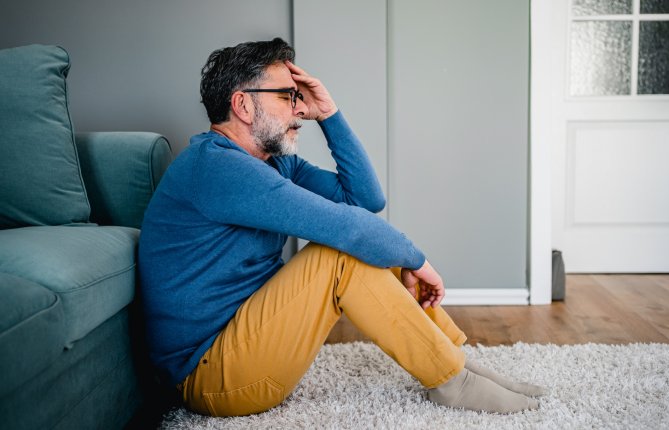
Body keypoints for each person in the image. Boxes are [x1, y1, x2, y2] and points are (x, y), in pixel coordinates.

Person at [138, 38, 546, 417]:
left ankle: (455, 363)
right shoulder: (217, 168)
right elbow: (348, 228)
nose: (299, 109)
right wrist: (418, 259)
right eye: (287, 96)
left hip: (245, 342)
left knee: (364, 242)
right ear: (243, 105)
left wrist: (329, 114)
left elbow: (365, 200)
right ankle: (452, 382)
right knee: (338, 252)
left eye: (299, 97)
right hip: (211, 377)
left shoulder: (274, 165)